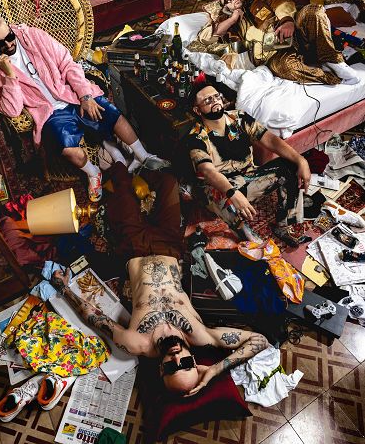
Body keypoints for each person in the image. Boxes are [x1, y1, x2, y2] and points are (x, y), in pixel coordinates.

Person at [50, 162, 269, 396]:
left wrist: (64, 289)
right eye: (185, 364)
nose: (176, 358)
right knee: (168, 182)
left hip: (133, 247)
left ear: (161, 370)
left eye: (172, 368)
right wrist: (214, 370)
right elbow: (259, 340)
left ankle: (123, 169)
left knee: (118, 177)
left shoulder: (137, 342)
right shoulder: (201, 335)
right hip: (169, 245)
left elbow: (95, 318)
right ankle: (142, 168)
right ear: (195, 361)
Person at [0, 14, 168, 202]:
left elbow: (67, 63)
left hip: (71, 94)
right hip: (49, 113)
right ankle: (93, 173)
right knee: (67, 148)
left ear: (11, 29)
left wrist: (85, 95)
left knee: (112, 114)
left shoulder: (32, 36)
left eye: (10, 36)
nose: (9, 44)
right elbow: (11, 110)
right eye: (1, 43)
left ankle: (142, 156)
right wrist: (9, 76)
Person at [187, 81, 312, 247]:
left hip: (248, 178)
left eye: (216, 96)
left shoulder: (239, 118)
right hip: (220, 190)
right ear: (197, 110)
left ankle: (284, 225)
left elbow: (270, 139)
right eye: (208, 100)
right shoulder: (196, 137)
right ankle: (243, 231)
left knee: (290, 166)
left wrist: (301, 160)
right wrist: (232, 193)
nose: (215, 101)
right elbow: (207, 171)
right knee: (231, 208)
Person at [188, 0, 360, 85]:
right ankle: (332, 78)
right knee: (285, 69)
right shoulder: (228, 23)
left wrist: (287, 21)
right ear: (225, 6)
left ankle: (334, 61)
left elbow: (281, 3)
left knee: (313, 11)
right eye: (228, 0)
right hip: (274, 52)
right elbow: (204, 39)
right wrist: (232, 18)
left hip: (295, 33)